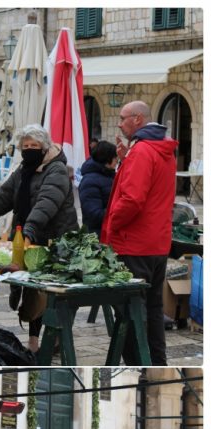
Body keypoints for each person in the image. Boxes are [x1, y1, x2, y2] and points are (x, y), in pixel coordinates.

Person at [0, 124, 78, 352]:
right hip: (27, 236)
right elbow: (3, 197)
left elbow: (47, 203)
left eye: (34, 146)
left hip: (55, 238)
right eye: (25, 146)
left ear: (44, 147)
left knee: (50, 293)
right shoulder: (24, 169)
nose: (29, 149)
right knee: (31, 291)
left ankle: (57, 339)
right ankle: (34, 341)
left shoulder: (57, 170)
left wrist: (30, 229)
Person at [100, 101, 178, 366]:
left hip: (134, 243)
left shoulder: (143, 151)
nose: (119, 123)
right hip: (156, 243)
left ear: (137, 119)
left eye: (123, 118)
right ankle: (156, 362)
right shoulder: (161, 150)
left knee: (131, 310)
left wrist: (112, 226)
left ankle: (138, 363)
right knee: (153, 309)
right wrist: (125, 161)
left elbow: (132, 199)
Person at [79, 140, 117, 238]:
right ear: (107, 158)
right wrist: (120, 210)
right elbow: (94, 214)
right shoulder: (89, 181)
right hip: (96, 238)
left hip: (108, 233)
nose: (116, 161)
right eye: (115, 157)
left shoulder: (109, 175)